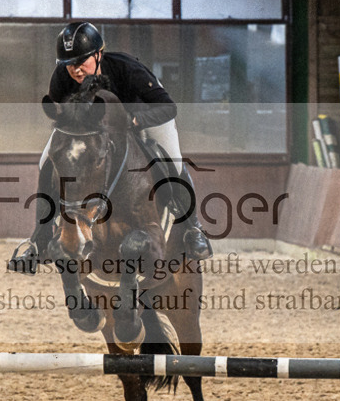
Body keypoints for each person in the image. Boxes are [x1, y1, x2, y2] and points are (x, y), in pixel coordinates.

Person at [11, 22, 212, 271]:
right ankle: (38, 241)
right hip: (92, 130)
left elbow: (169, 107)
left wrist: (136, 119)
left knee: (172, 160)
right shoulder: (62, 77)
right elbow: (61, 117)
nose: (74, 69)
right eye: (68, 63)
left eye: (81, 61)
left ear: (98, 54)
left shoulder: (125, 68)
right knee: (45, 162)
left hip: (144, 116)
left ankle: (193, 228)